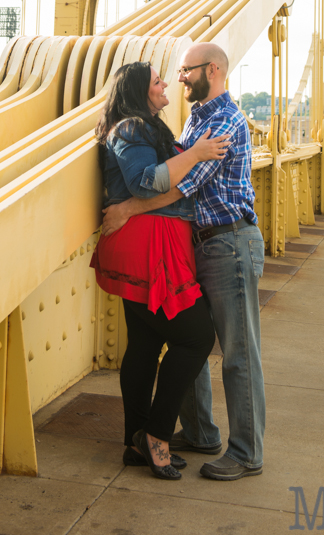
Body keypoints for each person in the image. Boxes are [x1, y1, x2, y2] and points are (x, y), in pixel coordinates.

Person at [103, 42, 265, 482]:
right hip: (199, 244)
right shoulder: (196, 118)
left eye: (185, 71)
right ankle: (199, 432)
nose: (179, 78)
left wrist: (127, 210)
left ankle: (247, 452)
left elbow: (181, 185)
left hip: (228, 243)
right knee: (187, 340)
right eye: (169, 74)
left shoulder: (224, 120)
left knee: (236, 353)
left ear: (211, 70)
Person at [91, 60, 228, 480]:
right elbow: (145, 182)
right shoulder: (130, 129)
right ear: (138, 91)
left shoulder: (140, 126)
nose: (166, 82)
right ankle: (156, 435)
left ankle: (136, 440)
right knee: (196, 337)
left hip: (152, 239)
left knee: (147, 342)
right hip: (148, 243)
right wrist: (198, 154)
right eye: (156, 80)